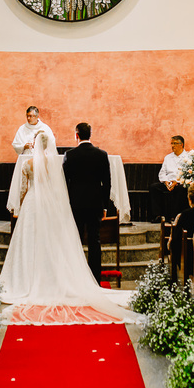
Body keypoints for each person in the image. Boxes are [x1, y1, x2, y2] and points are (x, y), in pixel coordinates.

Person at [0, 130, 134, 325]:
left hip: (32, 204)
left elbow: (24, 189)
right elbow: (61, 187)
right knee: (70, 241)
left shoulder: (28, 164)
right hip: (58, 205)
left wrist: (20, 206)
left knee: (29, 241)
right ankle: (70, 276)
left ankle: (26, 278)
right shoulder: (55, 163)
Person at [62, 122, 111, 284]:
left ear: (77, 135)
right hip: (95, 203)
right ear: (90, 134)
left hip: (75, 204)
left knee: (75, 239)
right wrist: (105, 205)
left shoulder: (70, 155)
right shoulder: (101, 155)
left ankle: (74, 277)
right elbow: (107, 183)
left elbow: (65, 181)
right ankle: (95, 278)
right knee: (94, 240)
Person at [151, 135, 189, 222]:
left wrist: (177, 181)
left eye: (175, 143)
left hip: (180, 183)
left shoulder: (188, 157)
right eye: (172, 143)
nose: (173, 146)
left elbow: (188, 173)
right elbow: (162, 172)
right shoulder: (168, 157)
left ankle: (174, 216)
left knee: (180, 189)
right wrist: (166, 182)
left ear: (181, 145)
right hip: (168, 182)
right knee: (154, 187)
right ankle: (157, 215)